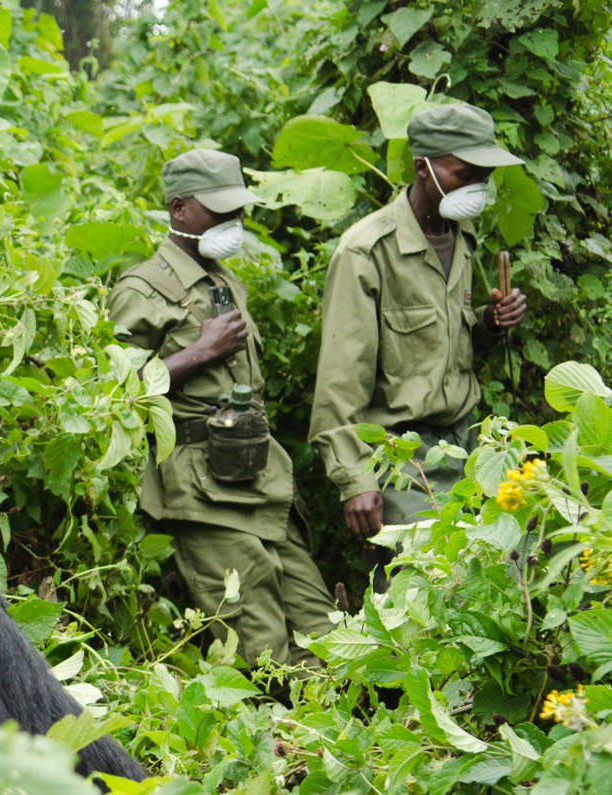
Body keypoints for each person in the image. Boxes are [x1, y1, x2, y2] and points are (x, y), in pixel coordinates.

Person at [109, 149, 336, 668]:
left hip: (259, 482)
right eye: (220, 210)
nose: (234, 223)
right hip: (199, 489)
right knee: (261, 650)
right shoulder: (141, 289)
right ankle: (270, 744)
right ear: (179, 209)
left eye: (238, 210)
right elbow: (113, 395)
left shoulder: (225, 281)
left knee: (324, 633)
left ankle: (332, 745)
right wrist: (198, 352)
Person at [310, 102, 529, 563]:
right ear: (422, 169)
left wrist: (489, 325)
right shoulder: (366, 253)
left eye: (483, 177)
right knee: (430, 590)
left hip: (470, 444)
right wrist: (355, 480)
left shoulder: (463, 237)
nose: (476, 187)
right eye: (464, 173)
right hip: (401, 458)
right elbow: (338, 383)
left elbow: (446, 344)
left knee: (505, 577)